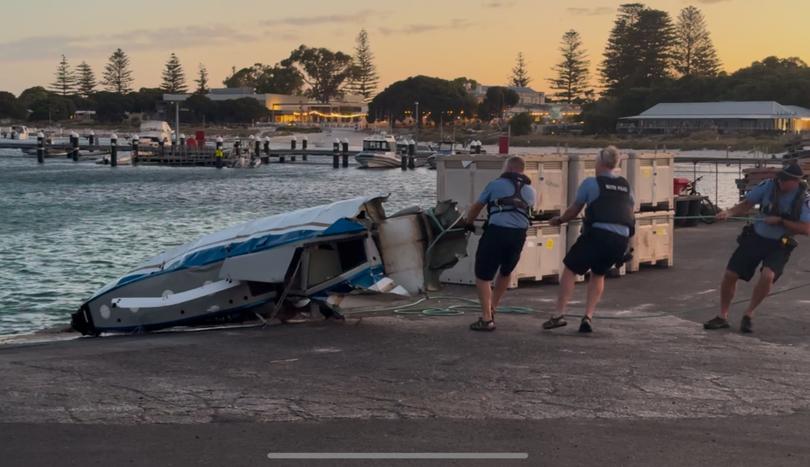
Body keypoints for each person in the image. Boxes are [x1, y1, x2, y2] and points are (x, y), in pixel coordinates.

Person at [704, 161, 810, 333]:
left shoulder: (803, 199)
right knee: (730, 274)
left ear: (797, 181)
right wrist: (728, 213)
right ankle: (722, 316)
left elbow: (806, 229)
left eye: (786, 180)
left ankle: (749, 313)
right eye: (781, 178)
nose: (781, 182)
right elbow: (746, 204)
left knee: (767, 276)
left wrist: (781, 221)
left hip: (779, 243)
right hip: (756, 237)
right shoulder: (768, 186)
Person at [544, 146, 634, 333]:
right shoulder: (626, 186)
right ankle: (588, 316)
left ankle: (559, 314)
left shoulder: (591, 183)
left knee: (570, 269)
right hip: (620, 240)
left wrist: (559, 220)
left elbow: (574, 210)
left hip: (597, 235)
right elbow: (629, 212)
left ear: (600, 162)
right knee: (598, 273)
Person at [464, 155, 537, 331]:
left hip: (497, 233)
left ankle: (486, 319)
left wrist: (468, 223)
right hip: (519, 235)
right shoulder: (531, 191)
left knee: (483, 276)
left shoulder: (495, 185)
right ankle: (492, 308)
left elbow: (477, 207)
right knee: (505, 271)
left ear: (509, 169)